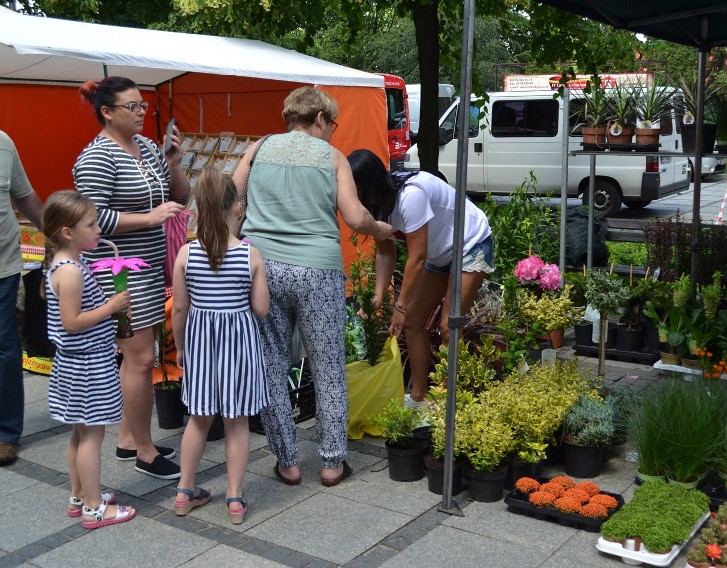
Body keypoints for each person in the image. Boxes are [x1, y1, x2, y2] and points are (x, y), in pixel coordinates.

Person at [231, 86, 391, 487]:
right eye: (332, 124)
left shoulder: (258, 149)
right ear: (319, 118)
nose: (333, 132)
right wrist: (379, 227)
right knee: (328, 365)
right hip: (318, 271)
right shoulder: (331, 157)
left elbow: (229, 198)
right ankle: (333, 462)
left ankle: (287, 460)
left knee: (271, 363)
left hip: (262, 266)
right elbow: (355, 218)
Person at [74, 76, 189, 480]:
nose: (142, 113)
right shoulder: (97, 157)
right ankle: (143, 449)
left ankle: (128, 438)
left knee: (139, 357)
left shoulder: (146, 148)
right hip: (119, 271)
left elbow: (180, 198)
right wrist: (149, 218)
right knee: (140, 359)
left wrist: (173, 161)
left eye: (144, 106)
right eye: (132, 107)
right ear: (107, 112)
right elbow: (92, 219)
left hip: (149, 267)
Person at [347, 149, 494, 406]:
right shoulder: (374, 207)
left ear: (367, 183)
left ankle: (449, 401)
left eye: (352, 186)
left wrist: (400, 307)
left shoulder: (410, 196)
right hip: (440, 253)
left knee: (450, 325)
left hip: (470, 242)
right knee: (413, 324)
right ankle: (419, 396)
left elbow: (417, 257)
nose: (347, 193)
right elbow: (385, 252)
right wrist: (380, 296)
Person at [171, 169, 269, 525]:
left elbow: (180, 308)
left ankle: (184, 490)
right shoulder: (249, 255)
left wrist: (180, 347)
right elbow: (261, 308)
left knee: (198, 420)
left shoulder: (186, 254)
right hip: (239, 347)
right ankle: (235, 498)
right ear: (237, 208)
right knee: (236, 421)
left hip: (199, 343)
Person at [42, 190, 136, 529]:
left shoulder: (67, 263)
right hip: (86, 365)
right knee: (92, 436)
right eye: (91, 224)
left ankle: (80, 494)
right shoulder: (71, 271)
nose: (99, 229)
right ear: (67, 231)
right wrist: (111, 307)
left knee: (80, 434)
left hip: (75, 362)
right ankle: (95, 508)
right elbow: (72, 322)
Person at [0, 130, 43, 466]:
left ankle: (6, 433)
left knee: (6, 348)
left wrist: (54, 231)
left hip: (4, 265)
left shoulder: (4, 142)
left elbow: (25, 197)